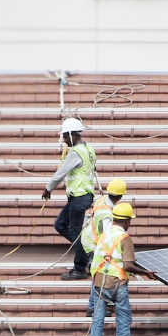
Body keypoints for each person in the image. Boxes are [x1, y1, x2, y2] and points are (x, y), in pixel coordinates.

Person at [85, 203, 156, 336]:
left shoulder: (104, 235)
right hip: (118, 284)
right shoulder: (125, 238)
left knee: (97, 321)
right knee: (123, 320)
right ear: (127, 221)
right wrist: (146, 273)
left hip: (99, 283)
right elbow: (128, 265)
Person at [42, 117, 96, 280]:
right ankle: (88, 251)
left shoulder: (75, 152)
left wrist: (48, 188)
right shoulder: (88, 148)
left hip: (79, 197)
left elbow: (60, 173)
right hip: (81, 196)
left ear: (73, 134)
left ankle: (80, 269)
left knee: (76, 232)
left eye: (65, 136)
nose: (64, 140)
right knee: (60, 225)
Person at [81, 178, 127, 317]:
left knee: (97, 272)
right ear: (120, 196)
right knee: (97, 272)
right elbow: (108, 236)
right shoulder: (107, 214)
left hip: (90, 238)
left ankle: (94, 305)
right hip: (94, 243)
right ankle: (93, 306)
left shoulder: (103, 200)